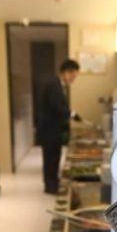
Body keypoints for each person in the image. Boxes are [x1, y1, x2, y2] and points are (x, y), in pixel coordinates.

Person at [34, 58, 79, 194]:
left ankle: (53, 183)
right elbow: (57, 107)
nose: (73, 79)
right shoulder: (54, 85)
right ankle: (51, 186)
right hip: (50, 130)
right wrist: (72, 114)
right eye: (73, 76)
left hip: (53, 129)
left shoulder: (57, 84)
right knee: (51, 158)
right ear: (66, 72)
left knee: (54, 157)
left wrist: (70, 114)